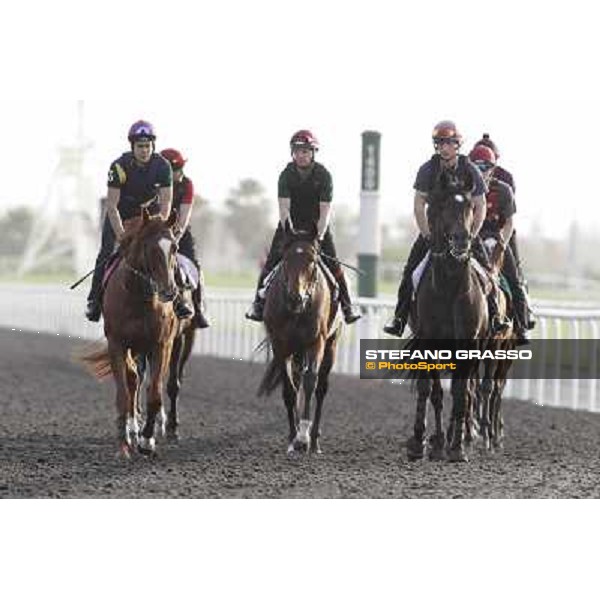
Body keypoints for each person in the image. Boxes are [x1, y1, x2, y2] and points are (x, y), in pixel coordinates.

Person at [383, 120, 509, 337]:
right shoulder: (427, 169)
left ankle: (496, 316)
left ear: (457, 145)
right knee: (410, 273)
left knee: (489, 272)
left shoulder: (470, 169)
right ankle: (400, 318)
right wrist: (426, 233)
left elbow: (479, 205)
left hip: (465, 233)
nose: (444, 148)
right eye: (440, 143)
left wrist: (473, 233)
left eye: (448, 143)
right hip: (434, 233)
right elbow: (418, 204)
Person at [245, 129, 361, 324]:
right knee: (271, 261)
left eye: (305, 151)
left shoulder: (324, 175)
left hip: (317, 226)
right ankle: (258, 304)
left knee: (333, 264)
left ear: (313, 153)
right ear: (293, 153)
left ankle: (348, 306)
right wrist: (289, 231)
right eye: (298, 151)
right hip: (290, 226)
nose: (301, 155)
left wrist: (320, 235)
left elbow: (325, 211)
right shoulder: (286, 175)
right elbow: (283, 209)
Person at [85, 120, 192, 322]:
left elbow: (166, 201)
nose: (144, 150)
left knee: (165, 248)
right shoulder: (118, 167)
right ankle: (94, 301)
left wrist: (160, 226)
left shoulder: (162, 166)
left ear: (153, 146)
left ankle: (178, 299)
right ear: (132, 147)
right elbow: (112, 206)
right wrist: (122, 236)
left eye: (147, 146)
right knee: (107, 252)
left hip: (148, 214)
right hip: (121, 213)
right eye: (140, 146)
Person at [468, 144, 533, 344]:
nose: (482, 171)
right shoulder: (464, 188)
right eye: (477, 167)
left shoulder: (504, 190)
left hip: (497, 238)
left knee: (514, 279)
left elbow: (509, 222)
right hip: (472, 238)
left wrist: (502, 243)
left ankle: (521, 325)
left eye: (485, 167)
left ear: (493, 167)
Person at [160, 148, 210, 329]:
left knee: (195, 266)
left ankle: (198, 308)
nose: (180, 173)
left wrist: (175, 236)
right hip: (153, 232)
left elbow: (184, 215)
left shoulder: (187, 184)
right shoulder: (153, 184)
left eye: (181, 168)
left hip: (179, 232)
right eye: (175, 170)